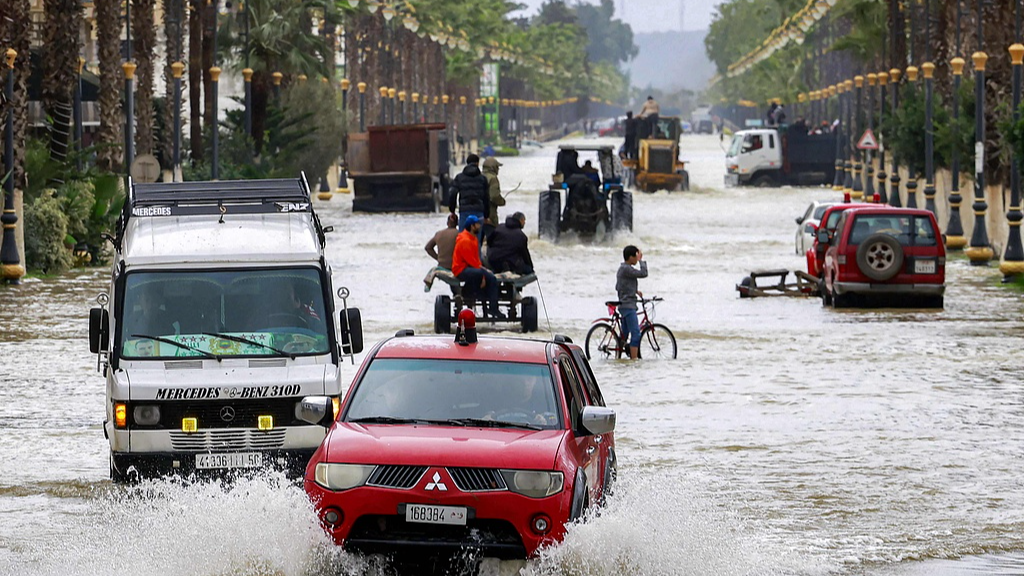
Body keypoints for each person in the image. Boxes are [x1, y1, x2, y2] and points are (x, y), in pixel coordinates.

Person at [452, 215, 503, 319]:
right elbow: (471, 261)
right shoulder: (465, 240)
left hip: (471, 268)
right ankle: (493, 308)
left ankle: (482, 296)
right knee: (491, 277)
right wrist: (484, 274)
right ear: (472, 226)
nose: (480, 226)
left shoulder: (473, 239)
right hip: (461, 269)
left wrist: (483, 270)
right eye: (478, 224)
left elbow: (476, 259)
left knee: (489, 275)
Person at [616, 245, 648, 360]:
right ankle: (634, 361)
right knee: (636, 334)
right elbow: (643, 273)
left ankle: (618, 357)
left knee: (624, 335)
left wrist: (635, 291)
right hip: (628, 306)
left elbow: (622, 285)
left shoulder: (624, 269)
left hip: (625, 304)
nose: (636, 258)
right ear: (630, 257)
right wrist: (641, 261)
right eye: (635, 256)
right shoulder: (626, 268)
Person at [448, 153, 490, 234]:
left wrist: (452, 210)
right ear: (477, 163)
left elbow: (452, 193)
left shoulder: (459, 177)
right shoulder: (483, 179)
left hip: (464, 211)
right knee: (476, 239)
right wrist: (486, 215)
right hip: (479, 211)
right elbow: (486, 198)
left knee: (462, 238)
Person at [424, 213, 459, 291]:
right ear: (457, 223)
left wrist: (438, 258)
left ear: (447, 223)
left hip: (442, 266)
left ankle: (456, 294)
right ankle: (460, 293)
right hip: (455, 267)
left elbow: (428, 248)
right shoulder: (460, 234)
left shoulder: (439, 234)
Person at [482, 156, 506, 239]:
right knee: (493, 238)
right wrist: (502, 201)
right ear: (493, 168)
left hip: (477, 212)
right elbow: (494, 196)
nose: (498, 170)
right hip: (490, 213)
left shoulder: (479, 176)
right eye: (497, 167)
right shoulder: (493, 179)